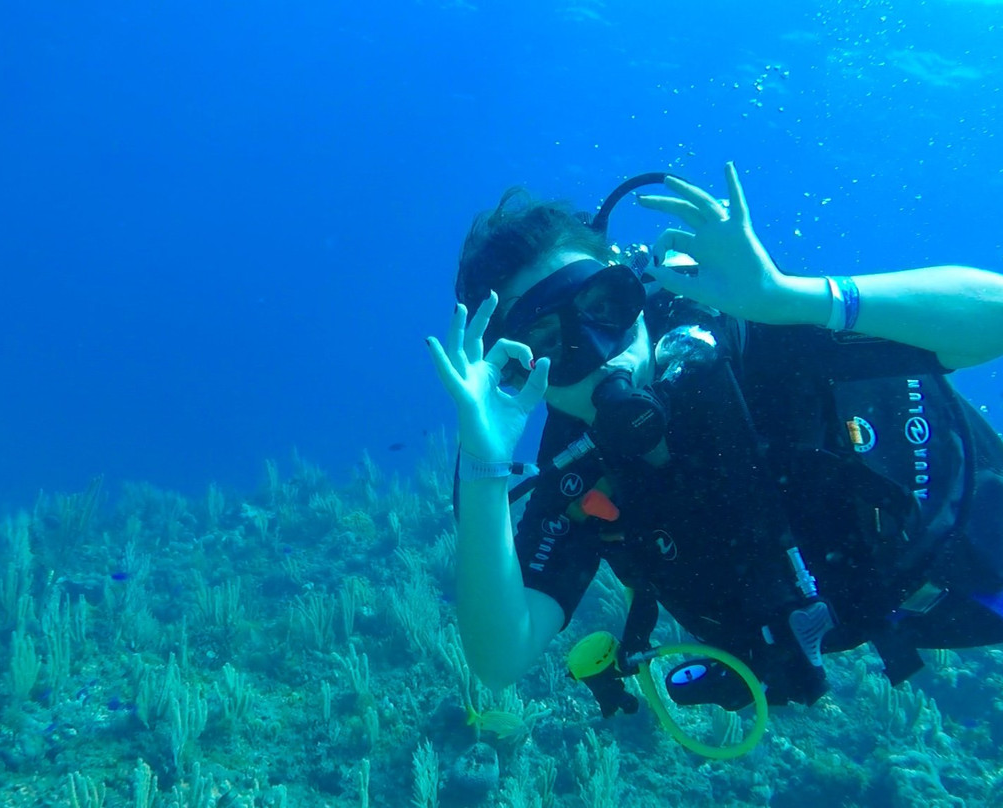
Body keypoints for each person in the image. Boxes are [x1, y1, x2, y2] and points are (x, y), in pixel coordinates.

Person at [427, 163, 1003, 714]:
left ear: (633, 288)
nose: (600, 353)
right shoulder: (580, 472)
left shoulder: (748, 326)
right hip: (914, 618)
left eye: (603, 307)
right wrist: (484, 461)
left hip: (974, 521)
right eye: (550, 341)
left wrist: (792, 297)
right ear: (515, 370)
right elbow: (500, 659)